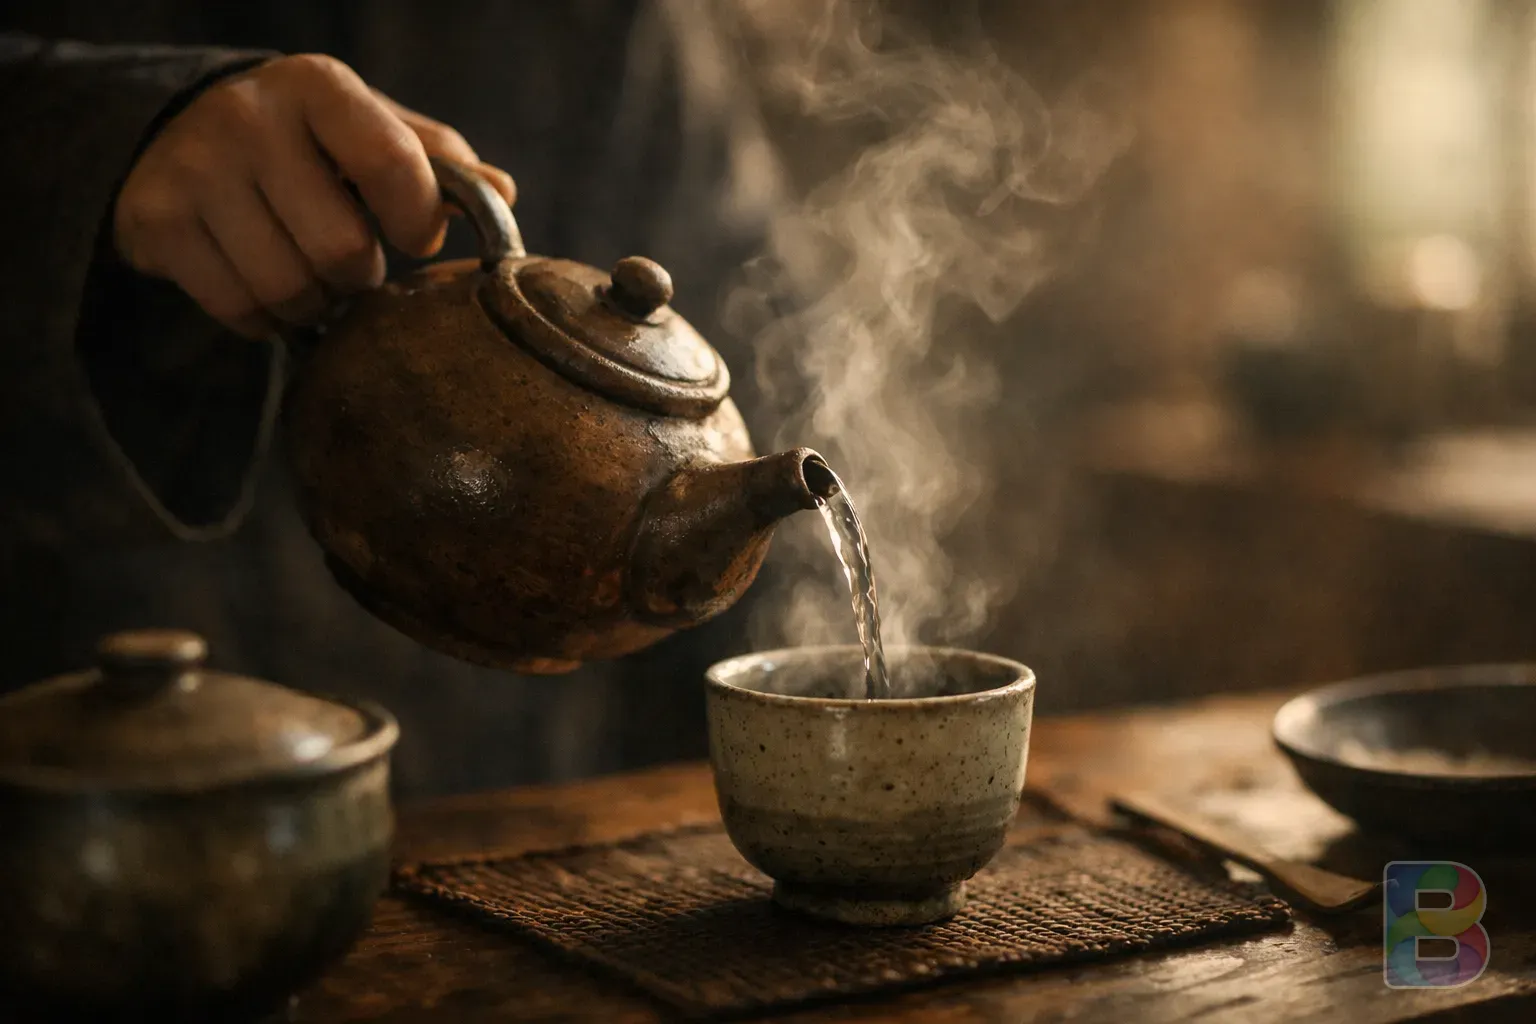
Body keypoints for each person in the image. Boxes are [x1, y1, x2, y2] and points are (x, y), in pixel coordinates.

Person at [0, 2, 781, 798]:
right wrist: (105, 125)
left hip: (517, 803)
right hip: (86, 779)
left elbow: (772, 336)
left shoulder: (611, 29)